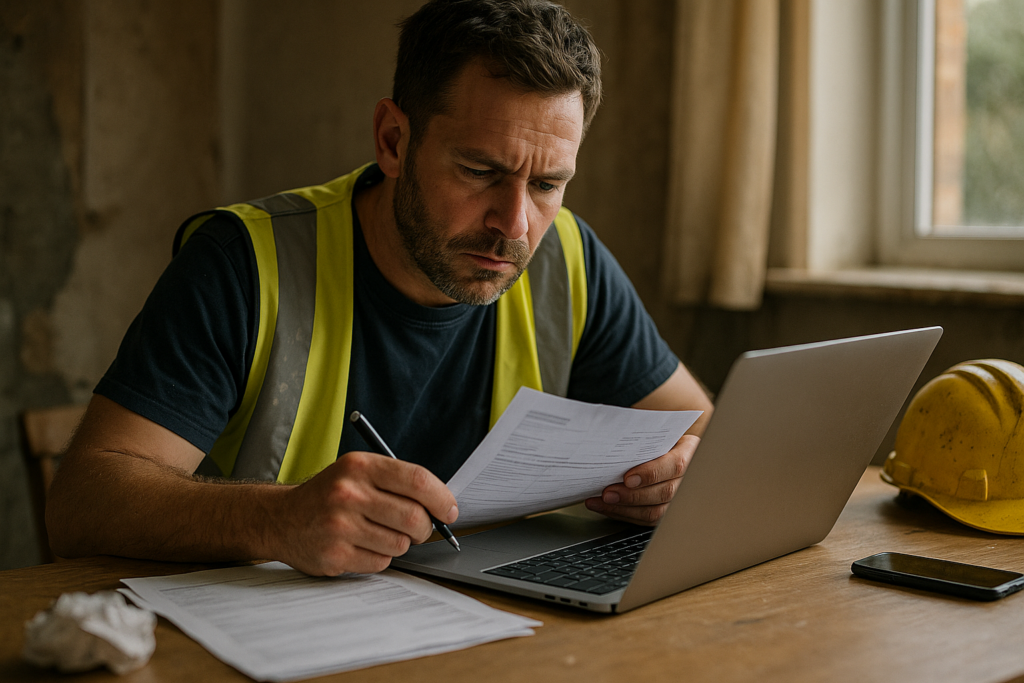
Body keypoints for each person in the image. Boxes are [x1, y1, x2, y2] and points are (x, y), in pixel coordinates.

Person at [46, 0, 714, 576]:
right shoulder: (245, 261)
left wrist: (681, 473)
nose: (514, 225)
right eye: (480, 170)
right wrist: (278, 519)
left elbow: (701, 428)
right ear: (393, 140)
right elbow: (82, 503)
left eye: (546, 185)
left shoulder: (567, 257)